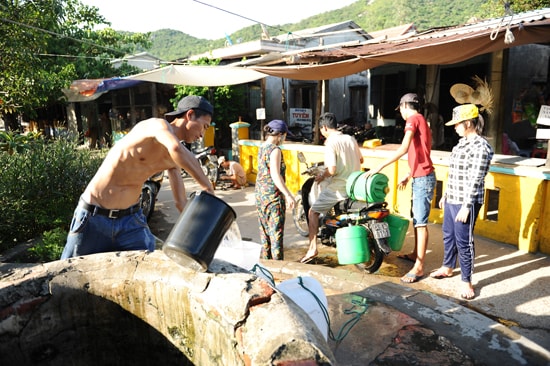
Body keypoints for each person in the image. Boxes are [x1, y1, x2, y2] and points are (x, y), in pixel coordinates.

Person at [61, 95, 215, 259]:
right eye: (204, 127)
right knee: (68, 275)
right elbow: (176, 148)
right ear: (190, 115)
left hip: (131, 222)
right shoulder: (155, 126)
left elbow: (181, 203)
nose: (202, 134)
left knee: (148, 271)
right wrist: (208, 187)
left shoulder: (174, 158)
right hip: (94, 216)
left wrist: (204, 231)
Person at [366, 93, 435, 283]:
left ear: (405, 105)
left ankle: (419, 267)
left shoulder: (413, 119)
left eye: (401, 109)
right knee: (417, 220)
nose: (401, 113)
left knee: (420, 224)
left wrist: (379, 166)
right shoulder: (422, 120)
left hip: (423, 178)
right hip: (420, 176)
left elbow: (404, 148)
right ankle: (415, 254)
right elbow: (422, 153)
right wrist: (408, 174)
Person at [430, 104, 494, 300]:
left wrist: (466, 207)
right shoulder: (460, 144)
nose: (455, 127)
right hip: (453, 198)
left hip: (467, 201)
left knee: (464, 241)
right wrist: (446, 194)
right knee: (448, 234)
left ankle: (467, 281)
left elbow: (476, 178)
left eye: (457, 123)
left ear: (468, 123)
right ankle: (448, 267)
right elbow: (454, 173)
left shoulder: (480, 147)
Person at [300, 112, 363, 263]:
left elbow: (332, 169)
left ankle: (312, 248)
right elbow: (361, 159)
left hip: (340, 187)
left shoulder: (330, 143)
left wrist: (322, 176)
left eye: (320, 130)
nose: (321, 132)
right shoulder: (350, 138)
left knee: (312, 212)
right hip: (355, 185)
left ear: (324, 127)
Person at [255, 120, 296, 260]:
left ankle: (266, 268)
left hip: (260, 196)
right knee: (276, 236)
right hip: (273, 198)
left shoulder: (262, 147)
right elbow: (275, 175)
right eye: (284, 136)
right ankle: (277, 269)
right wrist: (289, 195)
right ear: (280, 135)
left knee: (265, 234)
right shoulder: (275, 150)